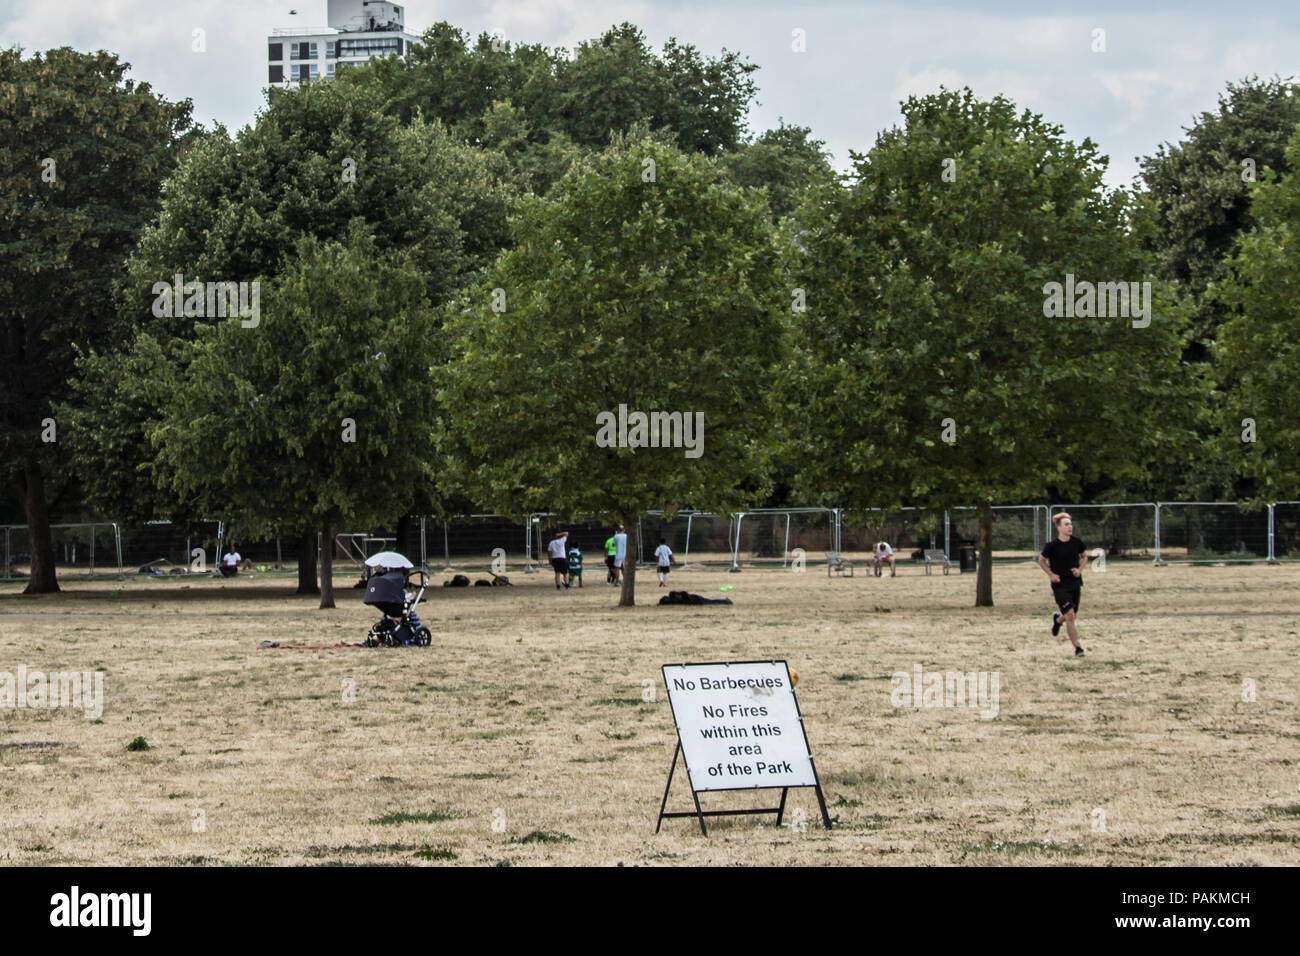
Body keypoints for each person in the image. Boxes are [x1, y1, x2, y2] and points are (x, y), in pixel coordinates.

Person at [1037, 512, 1089, 656]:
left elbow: (1085, 556)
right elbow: (1041, 560)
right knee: (1070, 615)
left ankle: (1058, 620)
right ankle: (1078, 648)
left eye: (1070, 524)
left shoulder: (1076, 542)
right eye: (1066, 524)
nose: (1070, 527)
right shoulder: (1052, 545)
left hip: (1074, 583)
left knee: (1071, 615)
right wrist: (1051, 575)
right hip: (1060, 585)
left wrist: (1080, 569)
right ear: (1059, 528)